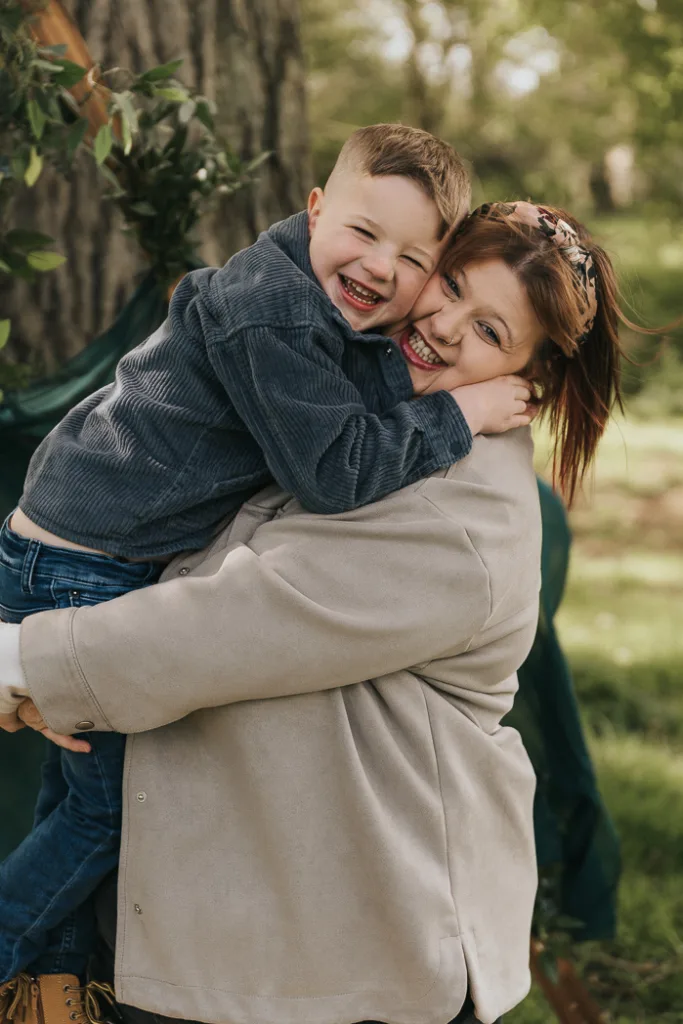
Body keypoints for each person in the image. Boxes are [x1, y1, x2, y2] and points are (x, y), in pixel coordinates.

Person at [0, 200, 623, 1024]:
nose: (441, 325)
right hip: (261, 916)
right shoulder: (372, 408)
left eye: (489, 332)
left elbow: (242, 622)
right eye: (452, 285)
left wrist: (25, 662)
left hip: (346, 953)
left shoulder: (459, 514)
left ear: (529, 379)